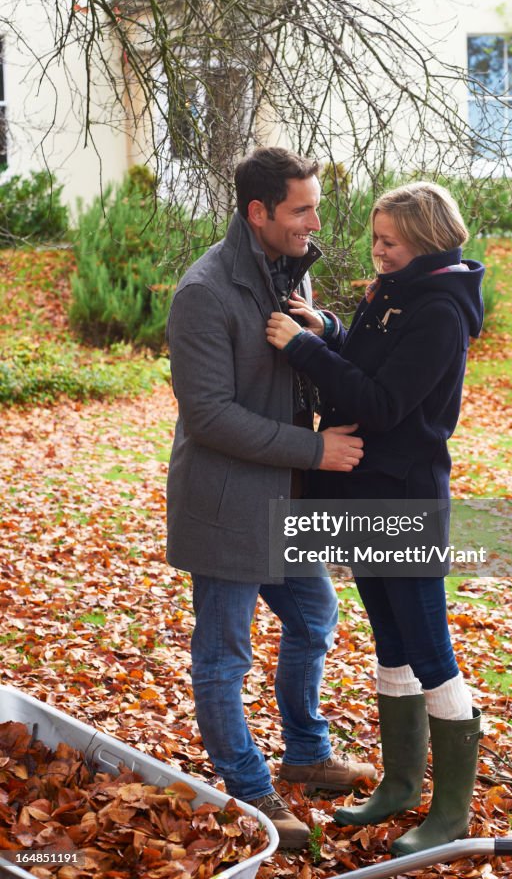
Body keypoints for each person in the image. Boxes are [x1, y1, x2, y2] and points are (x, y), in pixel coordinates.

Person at [265, 181, 485, 856]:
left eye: (388, 242)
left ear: (421, 240)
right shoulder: (395, 295)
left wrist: (302, 351)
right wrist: (327, 329)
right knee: (389, 640)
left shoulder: (439, 310)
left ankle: (449, 811)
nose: (377, 251)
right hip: (366, 491)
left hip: (406, 497)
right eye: (376, 240)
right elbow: (364, 361)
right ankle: (397, 783)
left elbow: (384, 402)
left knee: (428, 649)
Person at [165, 147, 376, 849]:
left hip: (285, 502)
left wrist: (327, 338)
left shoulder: (285, 275)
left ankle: (306, 753)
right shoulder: (204, 292)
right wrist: (316, 450)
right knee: (224, 657)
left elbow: (293, 373)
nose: (315, 221)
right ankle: (251, 790)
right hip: (225, 503)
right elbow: (209, 416)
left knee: (315, 614)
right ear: (257, 212)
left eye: (313, 205)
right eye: (301, 209)